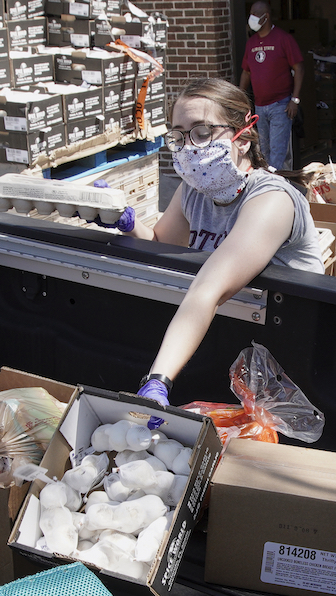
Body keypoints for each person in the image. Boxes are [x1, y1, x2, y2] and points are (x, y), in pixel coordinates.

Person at [106, 78, 324, 424]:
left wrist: (158, 379)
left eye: (202, 132)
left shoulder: (272, 200)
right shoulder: (194, 191)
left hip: (289, 358)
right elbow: (165, 245)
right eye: (179, 135)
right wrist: (127, 222)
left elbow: (208, 287)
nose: (189, 147)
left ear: (245, 135)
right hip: (233, 343)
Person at [239, 1, 303, 171]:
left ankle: (279, 189)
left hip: (280, 105)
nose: (250, 18)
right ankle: (271, 186)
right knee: (264, 153)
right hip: (260, 107)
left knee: (277, 153)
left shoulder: (283, 39)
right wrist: (238, 97)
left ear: (265, 16)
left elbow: (299, 68)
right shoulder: (251, 43)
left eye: (254, 14)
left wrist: (294, 100)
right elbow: (246, 72)